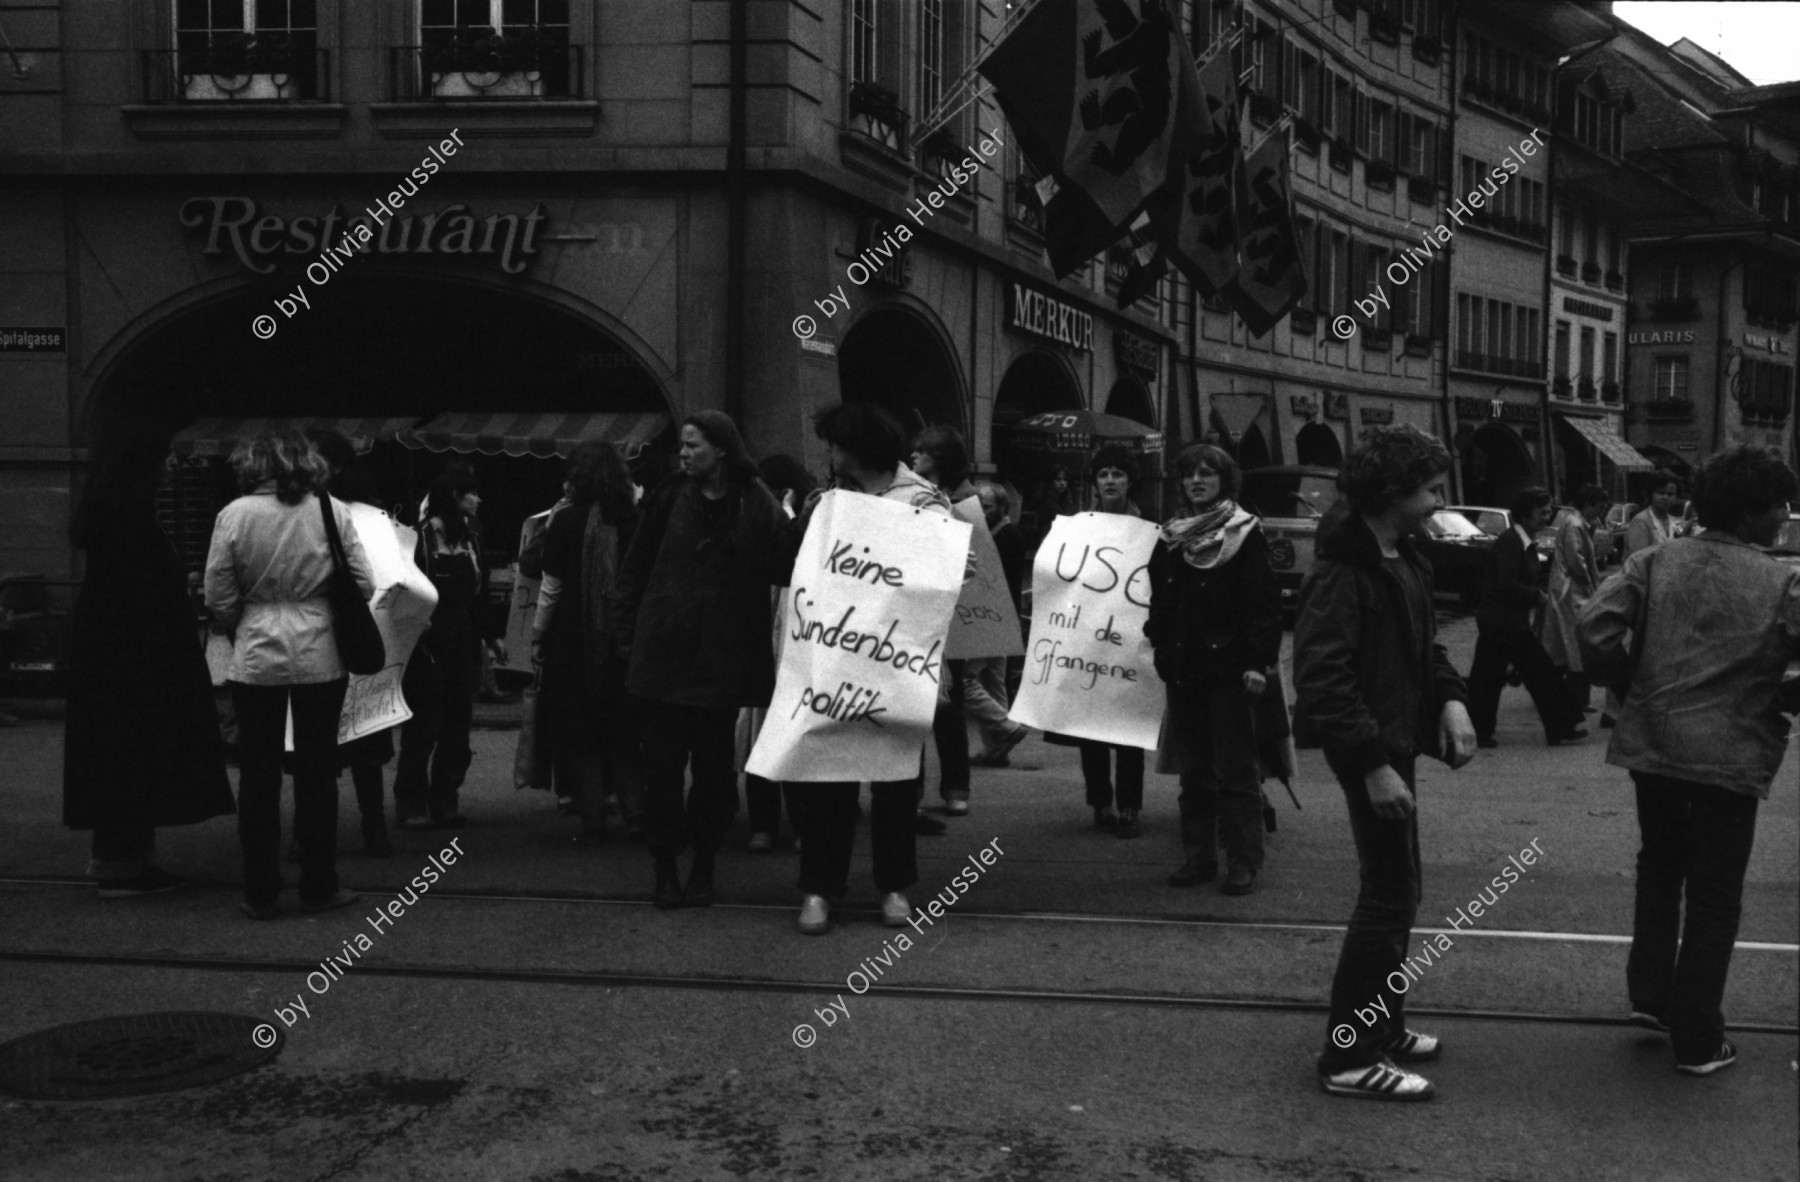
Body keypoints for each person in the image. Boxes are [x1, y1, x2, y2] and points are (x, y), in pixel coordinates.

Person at [1578, 445, 1800, 1077]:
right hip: (1729, 754)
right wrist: (1783, 696)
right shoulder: (1782, 580)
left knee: (1660, 868)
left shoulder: (1655, 560)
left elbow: (1594, 626)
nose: (1785, 518)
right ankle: (1698, 1037)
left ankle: (1650, 998)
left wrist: (1627, 684)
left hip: (1655, 745)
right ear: (1752, 513)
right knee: (1714, 895)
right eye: (1780, 506)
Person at [1294, 425, 1476, 1101]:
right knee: (1387, 896)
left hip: (1394, 739)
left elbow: (1425, 646)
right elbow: (1322, 679)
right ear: (1394, 491)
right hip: (1370, 747)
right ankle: (1348, 1057)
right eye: (1430, 490)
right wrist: (1373, 766)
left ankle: (1381, 1021)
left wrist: (1453, 700)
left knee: (1400, 889)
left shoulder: (1402, 555)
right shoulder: (1344, 570)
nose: (1438, 502)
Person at [617, 411, 789, 909]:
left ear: (721, 449)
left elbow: (783, 559)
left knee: (715, 776)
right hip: (664, 658)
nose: (683, 453)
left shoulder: (755, 500)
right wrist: (629, 637)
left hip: (723, 660)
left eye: (693, 445)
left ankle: (705, 864)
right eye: (683, 446)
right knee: (663, 773)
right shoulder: (668, 497)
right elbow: (635, 568)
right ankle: (666, 867)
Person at [205, 427, 374, 919]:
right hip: (320, 654)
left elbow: (218, 594)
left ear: (254, 464)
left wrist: (246, 625)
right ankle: (319, 884)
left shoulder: (233, 515)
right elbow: (361, 581)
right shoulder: (330, 510)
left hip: (255, 657)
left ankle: (260, 891)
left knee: (258, 777)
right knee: (317, 774)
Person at [64, 419, 235, 897]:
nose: (172, 464)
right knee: (133, 755)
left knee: (122, 758)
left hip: (115, 661)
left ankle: (125, 858)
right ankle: (124, 865)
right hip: (136, 664)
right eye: (163, 457)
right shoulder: (131, 520)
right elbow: (142, 597)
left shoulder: (115, 514)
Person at [791, 403, 943, 935]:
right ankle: (818, 887)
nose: (829, 454)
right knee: (826, 774)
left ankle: (894, 886)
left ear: (858, 447)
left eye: (834, 444)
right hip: (836, 658)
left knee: (896, 778)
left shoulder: (922, 502)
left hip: (897, 663)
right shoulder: (828, 504)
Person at [1146, 443, 1281, 895]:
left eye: (1207, 474)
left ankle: (1244, 862)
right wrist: (1161, 646)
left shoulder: (1244, 532)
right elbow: (1159, 601)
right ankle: (1198, 859)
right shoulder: (1171, 536)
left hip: (1230, 671)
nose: (1196, 481)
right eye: (1189, 474)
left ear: (1225, 482)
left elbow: (1262, 604)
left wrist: (1258, 662)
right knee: (1194, 773)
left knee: (1237, 772)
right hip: (1185, 668)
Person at [533, 442, 643, 846]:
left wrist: (538, 636)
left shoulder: (564, 521)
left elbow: (551, 587)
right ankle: (636, 814)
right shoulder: (633, 518)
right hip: (622, 639)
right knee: (624, 733)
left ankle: (593, 818)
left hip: (573, 637)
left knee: (582, 734)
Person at [394, 462, 506, 830]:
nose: (479, 499)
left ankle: (446, 799)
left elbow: (481, 593)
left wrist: (492, 635)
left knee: (458, 723)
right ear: (456, 497)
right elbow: (403, 590)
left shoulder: (472, 538)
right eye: (472, 493)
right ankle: (411, 803)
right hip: (426, 642)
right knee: (424, 723)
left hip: (463, 637)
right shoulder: (418, 540)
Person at [310, 429, 402, 857]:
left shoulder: (307, 510)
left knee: (316, 738)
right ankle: (373, 826)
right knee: (364, 732)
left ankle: (307, 835)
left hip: (321, 631)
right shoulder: (372, 514)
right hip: (367, 629)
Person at [1464, 487, 1584, 749]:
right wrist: (1536, 595)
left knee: (1493, 677)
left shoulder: (1522, 540)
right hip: (1501, 622)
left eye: (1548, 511)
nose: (1547, 516)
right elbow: (1506, 584)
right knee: (1531, 674)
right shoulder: (1511, 541)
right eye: (1542, 512)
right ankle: (1559, 725)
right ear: (1526, 515)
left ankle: (1482, 730)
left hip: (1506, 621)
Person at [1067, 446, 1147, 837]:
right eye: (1103, 475)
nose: (1111, 480)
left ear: (1130, 480)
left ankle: (1129, 805)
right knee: (1091, 728)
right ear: (1095, 483)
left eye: (1118, 473)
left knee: (1129, 727)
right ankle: (1101, 802)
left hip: (1130, 640)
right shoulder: (1080, 526)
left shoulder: (1148, 529)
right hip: (1090, 640)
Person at [743, 453, 817, 853]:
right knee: (762, 733)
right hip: (765, 635)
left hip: (796, 636)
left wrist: (791, 516)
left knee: (792, 732)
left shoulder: (803, 517)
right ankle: (764, 823)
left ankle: (795, 825)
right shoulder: (757, 513)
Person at [911, 425, 975, 822]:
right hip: (917, 614)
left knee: (950, 709)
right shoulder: (907, 498)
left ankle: (956, 786)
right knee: (911, 702)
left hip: (954, 618)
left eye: (924, 450)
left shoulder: (963, 503)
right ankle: (910, 789)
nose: (914, 455)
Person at [965, 481, 1030, 767]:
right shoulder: (994, 533)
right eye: (978, 505)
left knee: (966, 680)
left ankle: (1005, 727)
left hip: (993, 615)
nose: (981, 511)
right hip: (998, 615)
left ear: (1002, 508)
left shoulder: (1008, 535)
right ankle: (997, 750)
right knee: (994, 682)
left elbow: (987, 574)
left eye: (987, 506)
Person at [1539, 484, 1608, 715]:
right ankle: (1571, 698)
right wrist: (1592, 589)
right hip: (1570, 590)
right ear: (1587, 505)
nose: (1601, 512)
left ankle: (1575, 697)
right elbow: (1577, 562)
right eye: (1599, 507)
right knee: (1575, 644)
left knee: (1569, 645)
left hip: (1572, 589)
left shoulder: (1581, 523)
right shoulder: (1575, 524)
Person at [1623, 473, 1681, 559]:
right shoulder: (1640, 522)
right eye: (1660, 492)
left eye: (1670, 494)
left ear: (1676, 497)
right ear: (1651, 494)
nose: (1665, 497)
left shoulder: (1675, 523)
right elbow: (1639, 560)